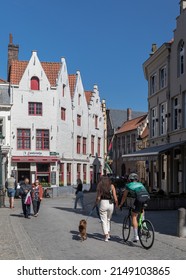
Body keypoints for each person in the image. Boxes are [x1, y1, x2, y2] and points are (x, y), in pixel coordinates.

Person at [118, 173, 150, 242]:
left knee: (134, 215)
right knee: (142, 210)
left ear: (130, 179)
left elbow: (124, 196)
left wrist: (121, 204)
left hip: (139, 199)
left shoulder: (128, 185)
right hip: (146, 198)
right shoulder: (141, 184)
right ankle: (143, 224)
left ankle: (136, 236)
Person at [95, 175, 118, 242]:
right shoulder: (112, 186)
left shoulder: (100, 185)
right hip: (111, 204)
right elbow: (115, 196)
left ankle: (106, 236)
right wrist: (117, 204)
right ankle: (108, 234)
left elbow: (98, 197)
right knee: (108, 219)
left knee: (103, 220)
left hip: (103, 203)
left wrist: (96, 202)